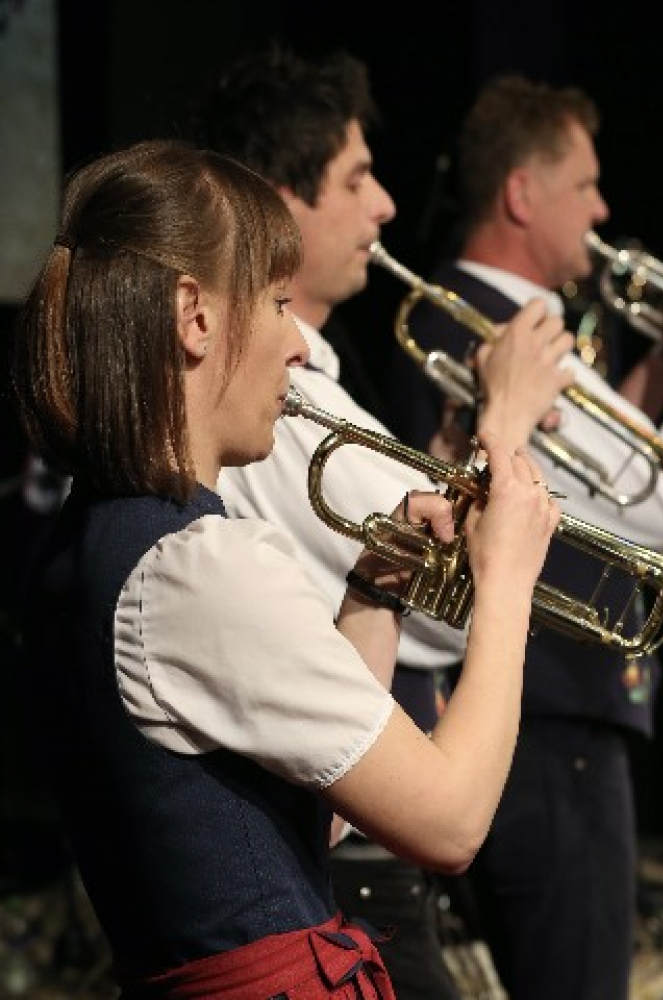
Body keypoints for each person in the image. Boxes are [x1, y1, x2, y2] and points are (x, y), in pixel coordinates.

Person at [8, 138, 562, 999]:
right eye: (275, 304)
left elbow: (313, 812)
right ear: (195, 317)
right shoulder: (199, 568)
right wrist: (508, 585)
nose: (298, 347)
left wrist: (374, 591)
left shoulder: (97, 543)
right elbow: (452, 823)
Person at [184, 45, 574, 999]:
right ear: (281, 203)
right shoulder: (283, 405)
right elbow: (448, 626)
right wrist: (506, 426)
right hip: (356, 853)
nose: (389, 205)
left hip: (352, 828)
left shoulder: (306, 387)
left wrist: (449, 477)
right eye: (357, 179)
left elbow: (394, 581)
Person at [388, 73, 663, 1000]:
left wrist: (653, 384)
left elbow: (592, 491)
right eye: (585, 185)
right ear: (521, 193)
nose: (602, 209)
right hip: (556, 727)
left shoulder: (466, 312)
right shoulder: (512, 330)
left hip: (522, 717)